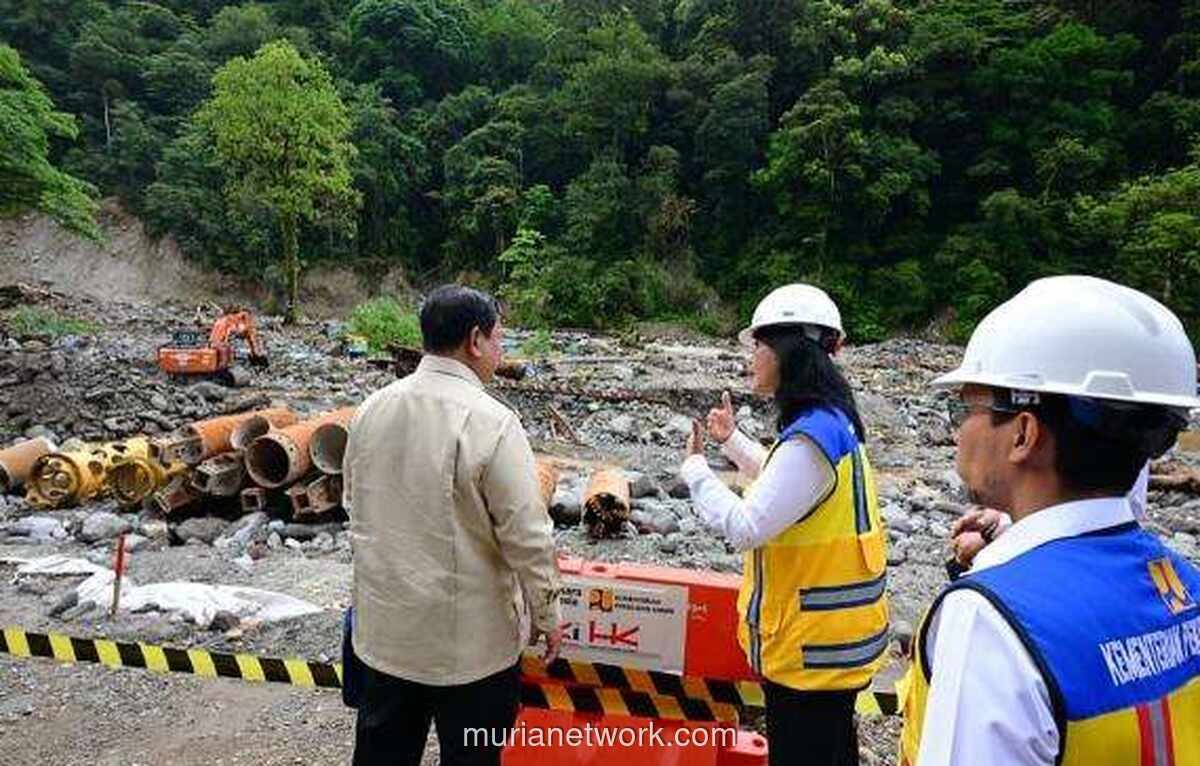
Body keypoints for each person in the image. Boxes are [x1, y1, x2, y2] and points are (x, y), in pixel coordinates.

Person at [898, 276, 1200, 766]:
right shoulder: (1185, 586)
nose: (958, 431)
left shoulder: (991, 619)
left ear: (1023, 433)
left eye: (966, 407)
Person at [343, 284, 562, 766]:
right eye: (499, 338)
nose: (501, 350)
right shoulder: (493, 422)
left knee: (382, 756)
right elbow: (527, 535)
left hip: (386, 639)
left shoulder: (372, 409)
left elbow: (354, 506)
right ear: (475, 341)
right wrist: (548, 614)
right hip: (470, 652)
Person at [681, 283, 889, 766]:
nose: (751, 358)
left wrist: (695, 471)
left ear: (789, 352)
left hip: (810, 655)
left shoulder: (811, 437)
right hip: (832, 647)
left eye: (758, 345)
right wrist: (732, 441)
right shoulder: (830, 423)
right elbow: (788, 484)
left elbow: (746, 525)